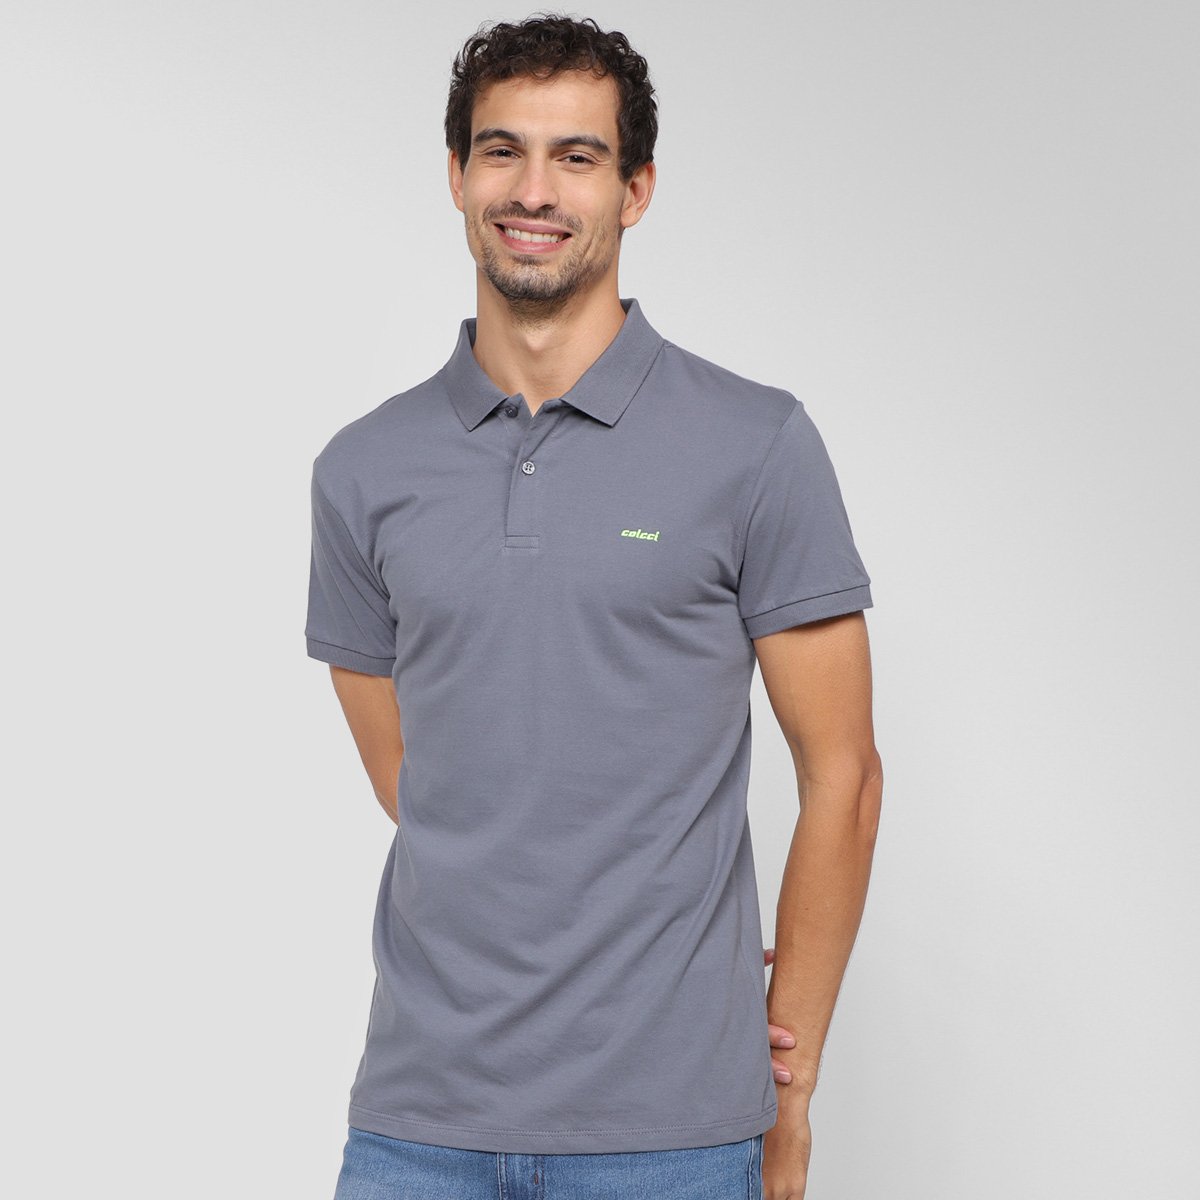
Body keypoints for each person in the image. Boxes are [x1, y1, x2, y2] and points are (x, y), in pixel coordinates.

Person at [305, 13, 883, 1199]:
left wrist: (793, 1085)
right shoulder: (363, 471)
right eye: (502, 150)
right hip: (417, 1128)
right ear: (457, 175)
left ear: (636, 189)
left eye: (577, 157)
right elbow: (420, 785)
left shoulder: (754, 443)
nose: (534, 190)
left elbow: (846, 777)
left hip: (673, 1137)